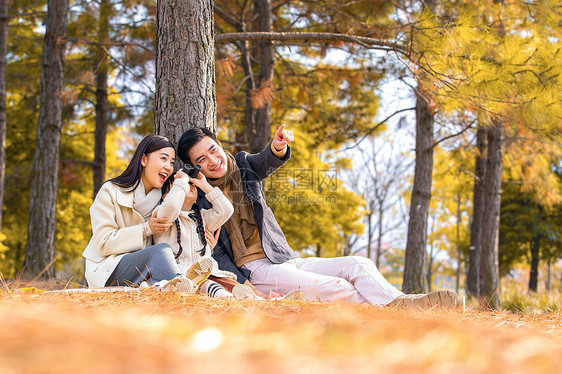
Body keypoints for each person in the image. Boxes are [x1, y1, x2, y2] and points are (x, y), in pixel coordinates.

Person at [176, 125, 461, 309]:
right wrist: (242, 284)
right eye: (201, 159)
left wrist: (278, 146)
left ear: (218, 144)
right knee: (335, 287)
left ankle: (402, 303)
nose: (213, 161)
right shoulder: (199, 201)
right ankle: (398, 313)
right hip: (256, 271)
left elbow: (266, 160)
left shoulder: (244, 166)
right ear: (193, 166)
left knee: (357, 264)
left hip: (284, 258)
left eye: (213, 150)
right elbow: (216, 255)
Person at [82, 135, 193, 292]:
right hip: (108, 269)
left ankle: (182, 286)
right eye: (163, 159)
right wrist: (146, 229)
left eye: (172, 162)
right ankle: (183, 289)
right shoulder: (110, 191)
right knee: (161, 251)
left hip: (144, 272)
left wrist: (181, 185)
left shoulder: (162, 201)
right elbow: (104, 243)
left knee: (160, 282)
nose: (168, 167)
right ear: (143, 160)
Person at [152, 166, 258, 299]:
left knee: (234, 286)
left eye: (191, 184)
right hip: (180, 276)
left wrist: (204, 184)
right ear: (165, 196)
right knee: (208, 286)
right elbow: (171, 206)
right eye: (180, 184)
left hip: (211, 274)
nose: (188, 185)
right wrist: (183, 180)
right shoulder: (161, 213)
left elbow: (226, 210)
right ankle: (225, 296)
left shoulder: (202, 217)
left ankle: (270, 300)